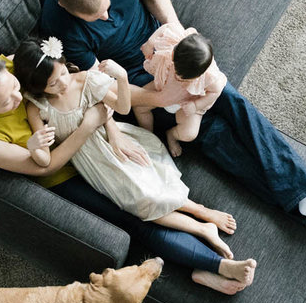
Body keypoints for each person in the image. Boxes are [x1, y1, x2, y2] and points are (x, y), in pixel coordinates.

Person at [39, 0, 306, 222]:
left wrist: (179, 37)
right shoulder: (60, 26)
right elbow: (106, 90)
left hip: (168, 50)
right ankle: (304, 203)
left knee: (231, 100)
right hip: (141, 85)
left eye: (107, 6)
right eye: (97, 18)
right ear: (68, 10)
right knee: (212, 133)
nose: (108, 17)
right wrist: (160, 99)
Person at [0, 50, 257, 295]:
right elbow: (46, 165)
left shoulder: (8, 64)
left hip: (97, 143)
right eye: (7, 102)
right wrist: (87, 126)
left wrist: (110, 127)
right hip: (66, 176)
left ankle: (201, 217)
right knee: (136, 219)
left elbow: (80, 93)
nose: (19, 99)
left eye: (17, 88)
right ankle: (216, 266)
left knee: (152, 179)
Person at [13, 37, 242, 261]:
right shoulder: (37, 106)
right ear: (38, 86)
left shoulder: (84, 80)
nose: (63, 84)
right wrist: (34, 145)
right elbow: (44, 161)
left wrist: (121, 77)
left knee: (154, 187)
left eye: (62, 73)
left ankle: (200, 212)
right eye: (53, 84)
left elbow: (122, 107)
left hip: (115, 143)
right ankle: (202, 227)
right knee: (142, 204)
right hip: (94, 165)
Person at [133, 23, 227, 157]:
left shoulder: (209, 76)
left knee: (189, 134)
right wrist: (150, 42)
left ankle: (172, 135)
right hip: (164, 85)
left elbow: (215, 91)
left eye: (186, 79)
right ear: (173, 54)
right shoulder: (176, 39)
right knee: (139, 106)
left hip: (189, 101)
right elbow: (167, 26)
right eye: (178, 73)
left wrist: (196, 105)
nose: (179, 79)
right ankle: (147, 134)